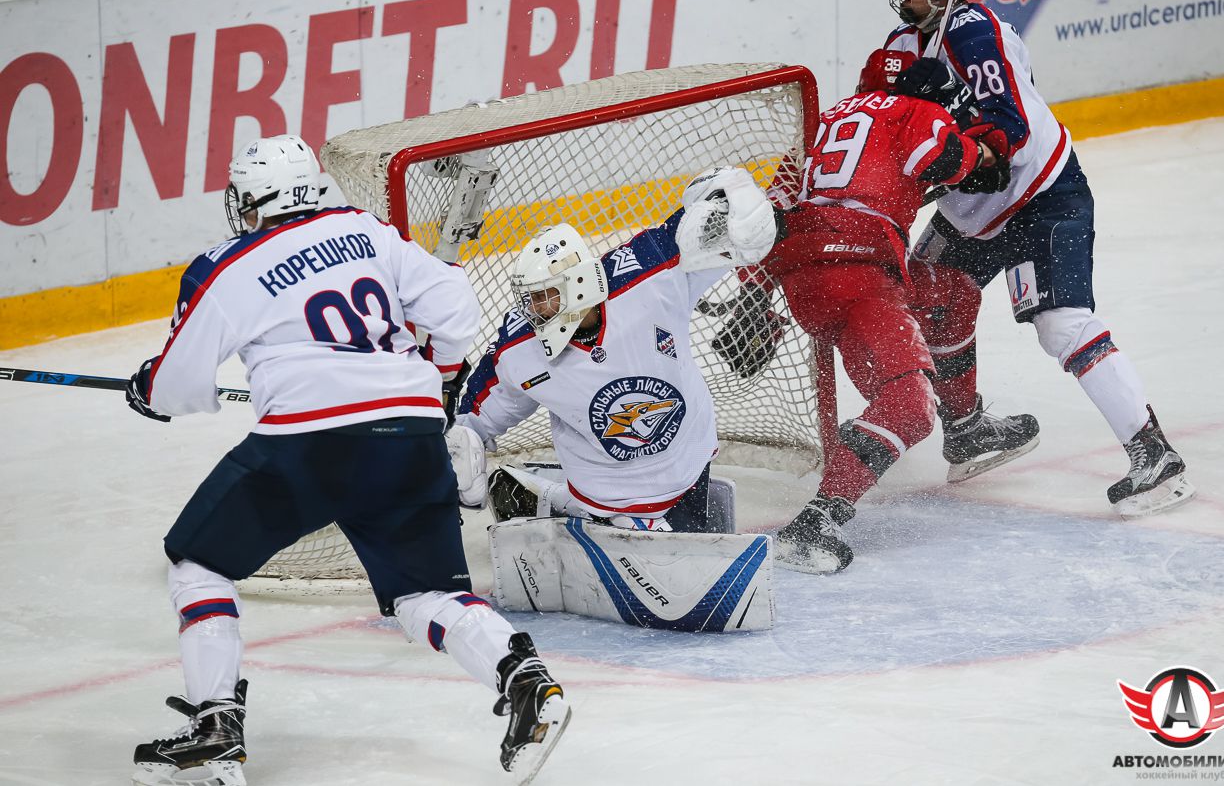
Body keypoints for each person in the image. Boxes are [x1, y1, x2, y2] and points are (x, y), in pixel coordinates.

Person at [123, 134, 569, 786]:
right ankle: (525, 681)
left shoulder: (226, 264)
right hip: (411, 434)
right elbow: (454, 304)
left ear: (256, 200)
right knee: (425, 595)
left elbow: (175, 385)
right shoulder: (365, 230)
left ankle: (216, 729)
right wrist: (438, 376)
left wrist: (147, 387)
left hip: (309, 445)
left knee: (200, 564)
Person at [884, 0, 1193, 515]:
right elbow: (875, 122)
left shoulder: (972, 32)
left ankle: (1154, 455)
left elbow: (1012, 132)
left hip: (1040, 197)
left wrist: (946, 115)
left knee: (1061, 325)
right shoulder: (903, 44)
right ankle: (968, 430)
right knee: (926, 294)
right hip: (973, 212)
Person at [745, 47, 1009, 573]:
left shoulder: (820, 122)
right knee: (909, 407)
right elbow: (948, 159)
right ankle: (817, 520)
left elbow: (765, 217)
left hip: (805, 276)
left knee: (953, 294)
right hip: (859, 273)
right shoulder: (913, 110)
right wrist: (985, 151)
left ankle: (965, 426)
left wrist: (754, 298)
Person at [453, 167, 777, 534]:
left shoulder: (647, 272)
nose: (536, 310)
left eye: (546, 296)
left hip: (690, 465)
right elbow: (473, 420)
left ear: (578, 283)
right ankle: (573, 509)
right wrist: (457, 450)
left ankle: (546, 500)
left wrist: (735, 192)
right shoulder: (518, 347)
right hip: (607, 495)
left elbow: (711, 222)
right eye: (531, 300)